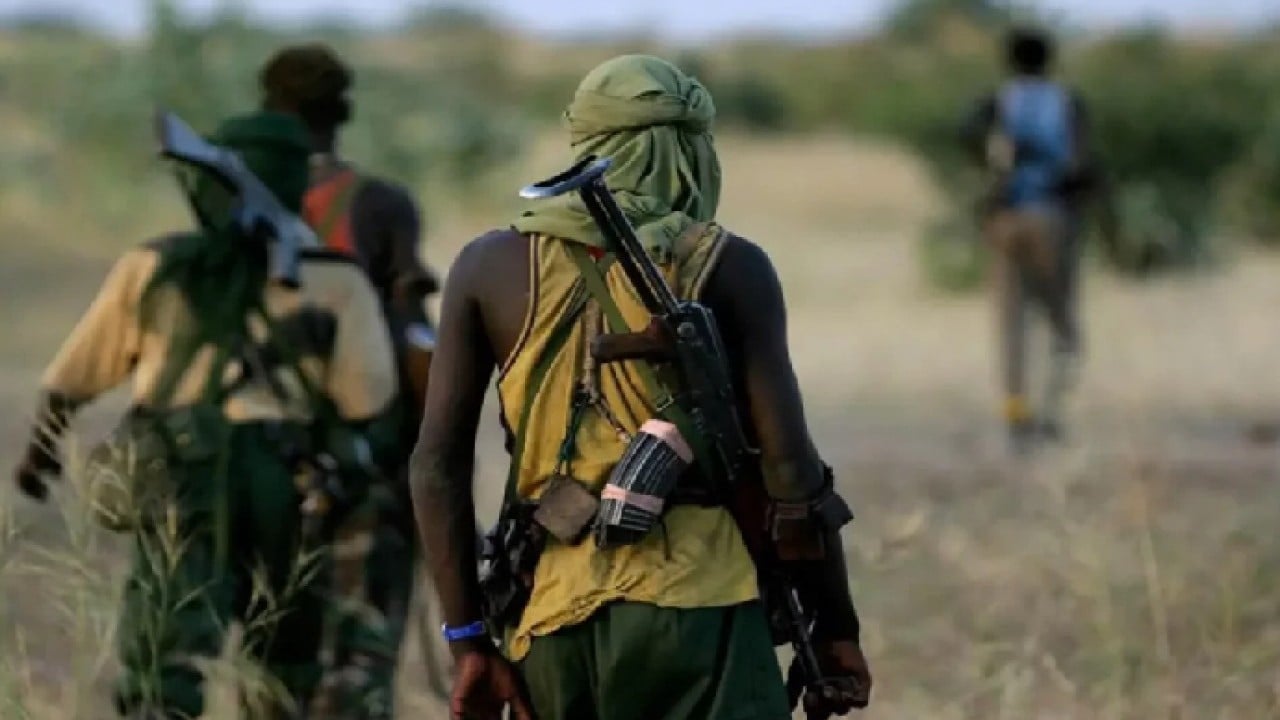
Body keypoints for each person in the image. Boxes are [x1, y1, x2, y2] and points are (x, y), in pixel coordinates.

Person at [410, 54, 872, 720]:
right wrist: (835, 629)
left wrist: (468, 642)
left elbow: (435, 468)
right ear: (691, 153)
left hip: (548, 611)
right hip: (702, 604)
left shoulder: (488, 266)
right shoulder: (731, 266)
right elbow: (791, 472)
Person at [11, 110, 402, 719]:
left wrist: (40, 456)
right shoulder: (336, 280)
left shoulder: (156, 268)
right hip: (289, 482)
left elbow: (70, 382)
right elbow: (366, 404)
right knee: (281, 667)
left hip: (180, 477)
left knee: (165, 662)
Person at [258, 43, 442, 717]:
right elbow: (414, 341)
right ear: (342, 112)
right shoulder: (381, 205)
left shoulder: (231, 203)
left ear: (267, 109)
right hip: (364, 459)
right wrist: (431, 476)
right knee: (360, 655)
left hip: (261, 461)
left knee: (269, 658)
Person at [961, 26, 1101, 452]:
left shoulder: (997, 101)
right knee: (1061, 320)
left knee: (1011, 320)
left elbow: (966, 133)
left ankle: (1016, 416)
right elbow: (1084, 164)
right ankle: (1052, 412)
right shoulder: (1067, 102)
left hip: (1006, 217)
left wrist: (992, 178)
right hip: (1052, 218)